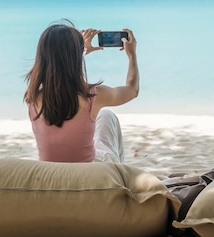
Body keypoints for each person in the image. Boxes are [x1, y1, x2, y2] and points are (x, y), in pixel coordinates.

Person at [24, 20, 139, 163]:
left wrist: (80, 49)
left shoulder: (33, 97)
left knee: (102, 115)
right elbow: (132, 90)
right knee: (107, 115)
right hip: (87, 174)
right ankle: (119, 175)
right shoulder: (93, 95)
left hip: (51, 176)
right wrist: (132, 55)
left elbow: (60, 67)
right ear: (75, 57)